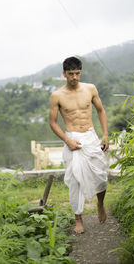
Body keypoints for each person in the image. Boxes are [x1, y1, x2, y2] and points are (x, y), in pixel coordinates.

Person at [49, 56, 109, 234]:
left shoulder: (90, 88)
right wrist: (68, 141)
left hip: (90, 136)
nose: (74, 77)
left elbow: (100, 110)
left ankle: (100, 204)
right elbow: (53, 122)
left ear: (80, 72)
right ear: (64, 74)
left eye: (77, 73)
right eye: (70, 74)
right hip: (72, 138)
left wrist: (105, 134)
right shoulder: (57, 95)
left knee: (101, 175)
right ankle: (78, 219)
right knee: (75, 180)